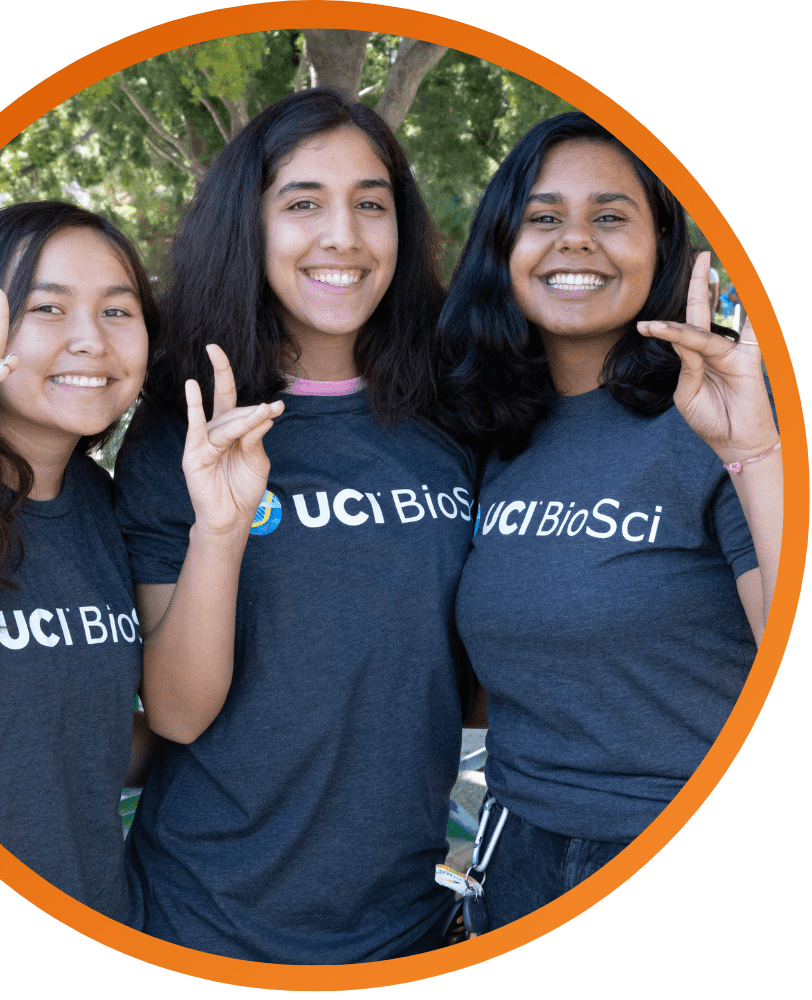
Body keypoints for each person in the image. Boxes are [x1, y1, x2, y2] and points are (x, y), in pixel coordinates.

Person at [114, 88, 478, 963]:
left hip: (406, 924)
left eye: (371, 205)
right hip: (207, 921)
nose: (343, 236)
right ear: (250, 225)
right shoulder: (186, 430)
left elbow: (466, 671)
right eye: (303, 203)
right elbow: (175, 710)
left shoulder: (453, 418)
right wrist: (221, 529)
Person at [0, 201, 280, 924]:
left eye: (118, 312)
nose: (92, 341)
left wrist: (219, 528)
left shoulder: (104, 507)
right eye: (47, 309)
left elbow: (137, 726)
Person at [439, 112, 781, 930]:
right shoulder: (493, 434)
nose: (576, 241)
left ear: (663, 246)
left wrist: (756, 451)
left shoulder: (719, 417)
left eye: (611, 216)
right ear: (504, 248)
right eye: (545, 217)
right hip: (516, 853)